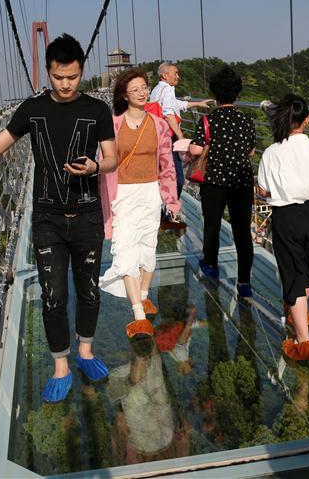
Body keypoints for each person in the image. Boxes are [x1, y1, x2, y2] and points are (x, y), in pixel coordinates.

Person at [0, 33, 117, 402]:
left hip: (87, 217)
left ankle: (86, 352)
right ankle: (61, 364)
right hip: (47, 218)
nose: (66, 85)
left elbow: (112, 158)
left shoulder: (97, 110)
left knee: (89, 291)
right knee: (53, 296)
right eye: (58, 77)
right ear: (48, 72)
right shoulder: (32, 109)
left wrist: (95, 165)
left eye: (73, 77)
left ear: (82, 72)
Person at [256, 93, 309, 362]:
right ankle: (301, 313)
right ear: (308, 120)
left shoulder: (271, 152)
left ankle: (303, 343)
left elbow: (264, 191)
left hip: (286, 217)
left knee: (292, 275)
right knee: (304, 268)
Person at [99, 68, 180, 338]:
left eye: (145, 87)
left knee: (148, 247)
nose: (143, 92)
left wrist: (171, 199)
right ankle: (138, 314)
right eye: (136, 89)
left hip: (150, 192)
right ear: (125, 95)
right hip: (123, 194)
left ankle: (143, 296)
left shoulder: (158, 125)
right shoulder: (113, 124)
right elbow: (106, 162)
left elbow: (167, 165)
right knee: (125, 249)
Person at [188, 66, 257, 299]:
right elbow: (250, 152)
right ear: (237, 94)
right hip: (241, 182)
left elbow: (196, 149)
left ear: (215, 95)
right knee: (242, 231)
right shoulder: (247, 121)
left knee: (212, 225)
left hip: (214, 182)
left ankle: (210, 266)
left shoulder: (208, 120)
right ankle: (245, 282)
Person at [148, 62, 212, 212]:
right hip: (168, 138)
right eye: (175, 73)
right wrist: (181, 136)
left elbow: (176, 104)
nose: (178, 76)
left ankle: (164, 208)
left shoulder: (158, 89)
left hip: (158, 137)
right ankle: (170, 211)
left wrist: (197, 103)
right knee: (178, 178)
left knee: (166, 173)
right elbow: (169, 114)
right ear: (164, 75)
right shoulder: (168, 89)